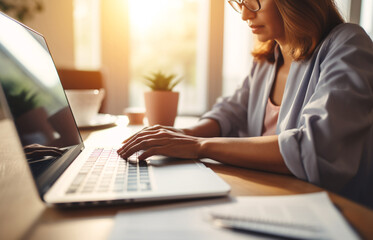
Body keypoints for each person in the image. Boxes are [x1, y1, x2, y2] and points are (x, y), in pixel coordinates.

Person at [118, 0, 373, 208]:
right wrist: (184, 134)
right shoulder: (267, 58)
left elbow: (315, 148)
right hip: (273, 201)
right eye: (239, 1)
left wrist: (198, 145)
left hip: (336, 214)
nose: (244, 14)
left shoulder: (348, 44)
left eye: (254, 1)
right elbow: (232, 111)